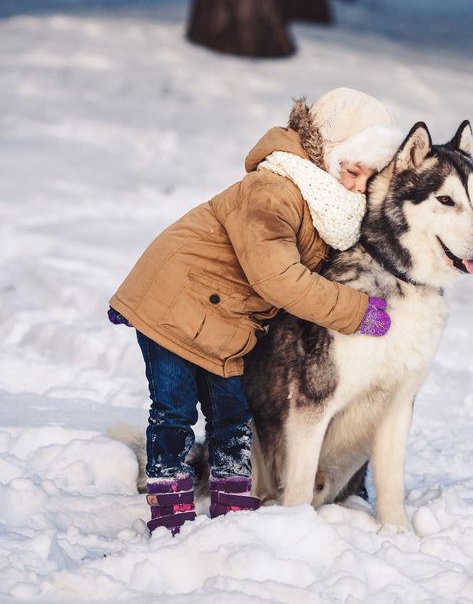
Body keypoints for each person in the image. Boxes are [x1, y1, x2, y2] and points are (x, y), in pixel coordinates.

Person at [108, 87, 404, 534]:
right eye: (352, 170)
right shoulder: (274, 191)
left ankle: (233, 503)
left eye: (368, 178)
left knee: (232, 412)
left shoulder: (326, 205)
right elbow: (279, 278)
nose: (357, 187)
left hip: (225, 320)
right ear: (327, 151)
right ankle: (169, 506)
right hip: (172, 305)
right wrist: (354, 310)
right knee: (174, 410)